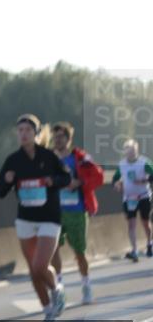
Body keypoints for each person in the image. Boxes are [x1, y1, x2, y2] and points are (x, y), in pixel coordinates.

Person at [0, 114, 71, 322]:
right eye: (20, 131)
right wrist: (6, 181)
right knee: (33, 271)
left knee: (40, 265)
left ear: (36, 134)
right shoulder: (13, 161)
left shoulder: (48, 156)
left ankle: (56, 290)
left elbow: (66, 178)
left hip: (49, 217)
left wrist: (52, 181)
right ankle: (48, 313)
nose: (23, 134)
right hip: (26, 219)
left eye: (28, 130)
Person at [49, 122, 104, 303]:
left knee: (79, 252)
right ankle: (58, 288)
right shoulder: (48, 159)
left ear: (68, 138)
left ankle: (86, 285)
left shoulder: (79, 158)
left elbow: (98, 176)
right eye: (55, 137)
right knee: (52, 249)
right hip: (54, 211)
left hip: (76, 211)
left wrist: (79, 183)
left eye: (61, 137)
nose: (57, 140)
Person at [112, 139, 153, 261]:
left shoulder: (144, 162)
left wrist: (143, 181)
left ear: (137, 151)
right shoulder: (122, 164)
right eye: (129, 151)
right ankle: (134, 250)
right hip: (129, 198)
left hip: (144, 196)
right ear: (125, 152)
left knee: (145, 222)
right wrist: (117, 184)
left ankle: (150, 243)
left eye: (133, 151)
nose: (131, 154)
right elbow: (115, 178)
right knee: (131, 224)